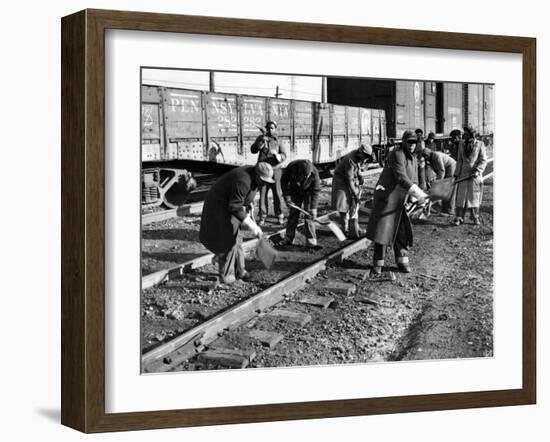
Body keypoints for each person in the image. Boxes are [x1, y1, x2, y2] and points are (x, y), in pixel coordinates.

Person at [199, 162, 274, 284]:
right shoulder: (243, 180)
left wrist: (248, 203)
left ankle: (240, 271)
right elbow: (234, 206)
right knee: (227, 240)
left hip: (231, 204)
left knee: (237, 239)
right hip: (219, 206)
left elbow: (242, 196)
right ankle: (227, 277)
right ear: (256, 174)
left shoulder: (254, 178)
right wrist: (251, 225)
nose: (264, 184)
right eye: (263, 180)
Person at [366, 131, 428, 274]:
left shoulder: (413, 158)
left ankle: (402, 261)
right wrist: (419, 194)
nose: (411, 145)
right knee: (383, 231)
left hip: (402, 199)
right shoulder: (397, 154)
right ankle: (378, 264)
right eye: (408, 142)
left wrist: (414, 197)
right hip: (388, 197)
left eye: (414, 143)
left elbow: (414, 179)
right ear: (403, 142)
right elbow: (401, 177)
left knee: (402, 231)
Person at [331, 144, 375, 239]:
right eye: (365, 157)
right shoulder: (350, 160)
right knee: (344, 205)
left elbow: (357, 168)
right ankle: (344, 229)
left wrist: (360, 176)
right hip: (341, 181)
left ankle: (355, 227)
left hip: (349, 179)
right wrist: (355, 193)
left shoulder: (359, 156)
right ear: (361, 153)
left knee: (354, 205)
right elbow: (349, 179)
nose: (365, 160)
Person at [251, 120, 288, 226]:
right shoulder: (261, 138)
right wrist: (261, 142)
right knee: (262, 194)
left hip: (275, 170)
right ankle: (262, 216)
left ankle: (279, 215)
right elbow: (253, 150)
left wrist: (279, 156)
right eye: (268, 128)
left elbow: (284, 155)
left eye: (272, 128)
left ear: (275, 129)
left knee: (277, 193)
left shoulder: (278, 140)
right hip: (263, 171)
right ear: (266, 129)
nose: (270, 130)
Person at [280, 159, 321, 247]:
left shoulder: (314, 172)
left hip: (308, 193)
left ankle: (311, 241)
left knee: (309, 215)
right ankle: (288, 237)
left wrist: (313, 208)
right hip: (295, 191)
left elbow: (316, 190)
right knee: (293, 213)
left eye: (308, 175)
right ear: (300, 172)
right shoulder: (292, 167)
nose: (307, 177)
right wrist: (287, 197)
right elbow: (283, 181)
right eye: (305, 175)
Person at [453, 125, 488, 226]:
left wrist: (478, 171)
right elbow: (459, 160)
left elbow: (483, 160)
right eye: (465, 134)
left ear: (472, 134)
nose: (465, 136)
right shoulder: (461, 144)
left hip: (474, 175)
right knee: (461, 197)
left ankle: (475, 217)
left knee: (474, 196)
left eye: (467, 134)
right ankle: (459, 217)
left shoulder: (480, 144)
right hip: (463, 174)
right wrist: (456, 174)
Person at [422, 147, 456, 214]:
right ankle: (444, 208)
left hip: (451, 168)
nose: (425, 158)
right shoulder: (430, 159)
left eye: (426, 156)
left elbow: (441, 170)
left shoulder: (436, 156)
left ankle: (450, 210)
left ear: (429, 154)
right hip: (445, 170)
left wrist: (438, 183)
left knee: (448, 189)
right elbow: (435, 170)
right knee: (444, 190)